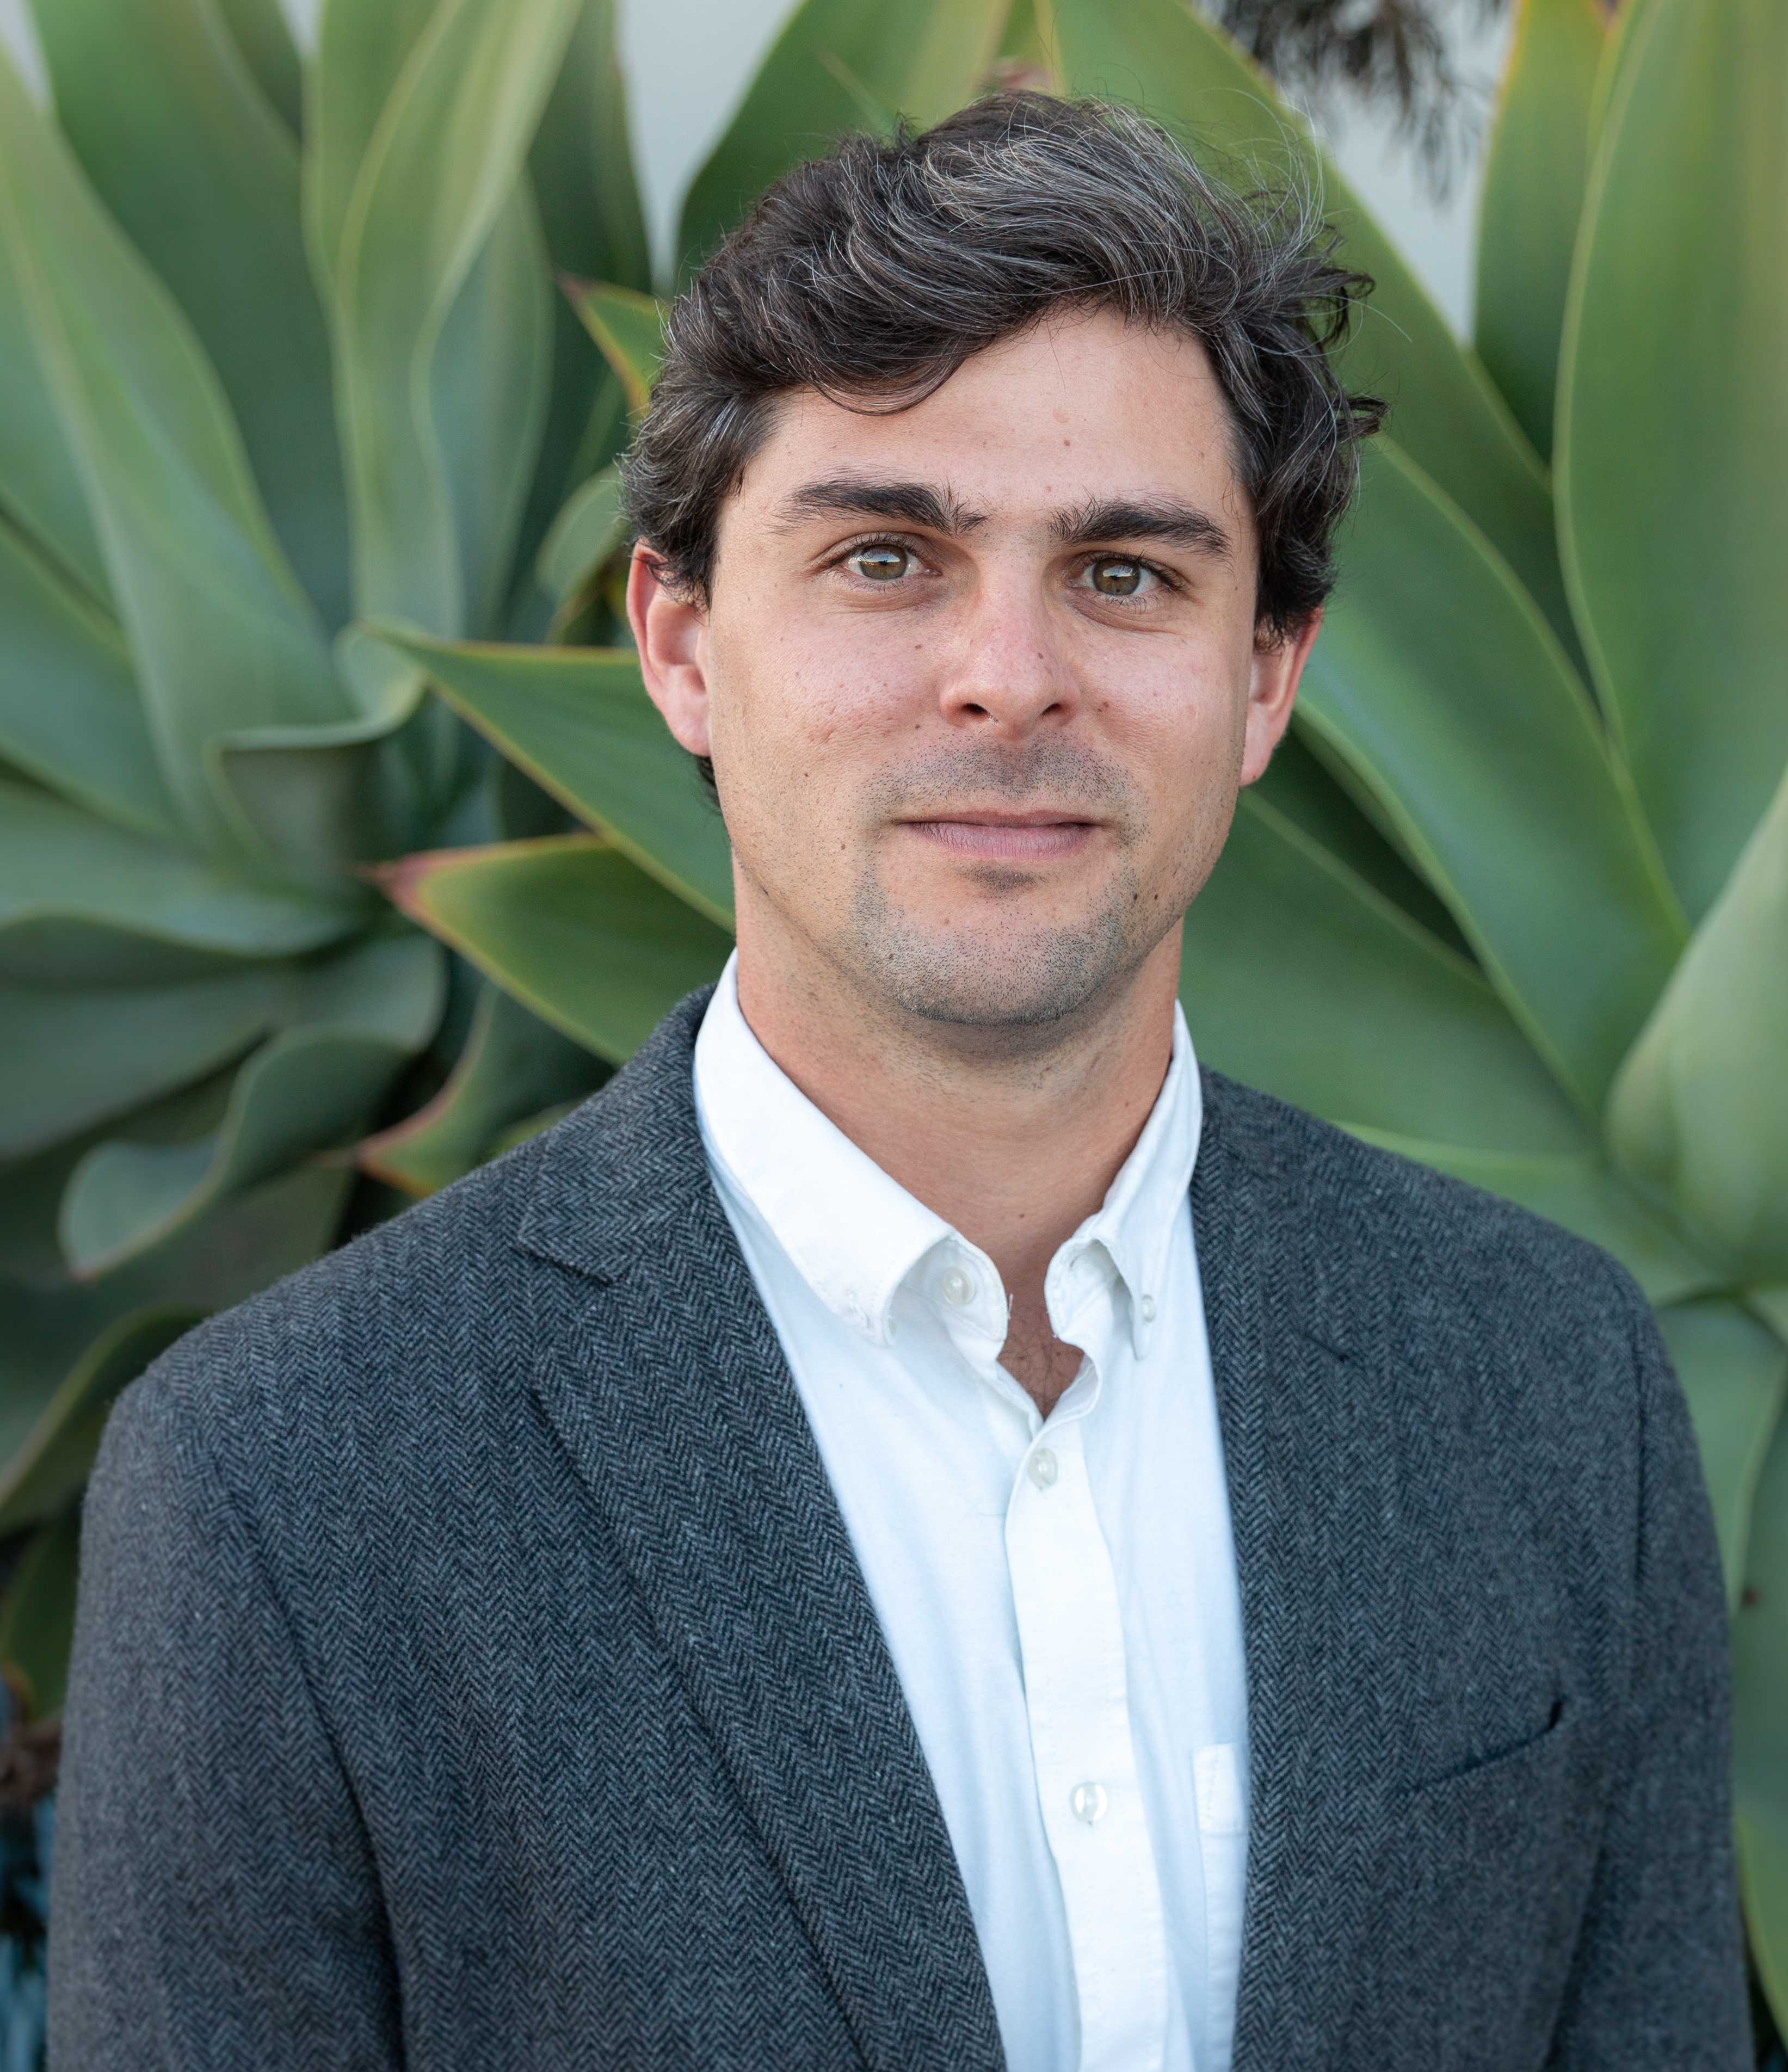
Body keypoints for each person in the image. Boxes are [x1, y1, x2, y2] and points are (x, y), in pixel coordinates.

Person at [49, 93, 1747, 2071]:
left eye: (1125, 575)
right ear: (682, 647)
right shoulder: (279, 1485)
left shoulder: (1549, 1381)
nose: (1008, 674)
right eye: (884, 557)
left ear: (1266, 675)